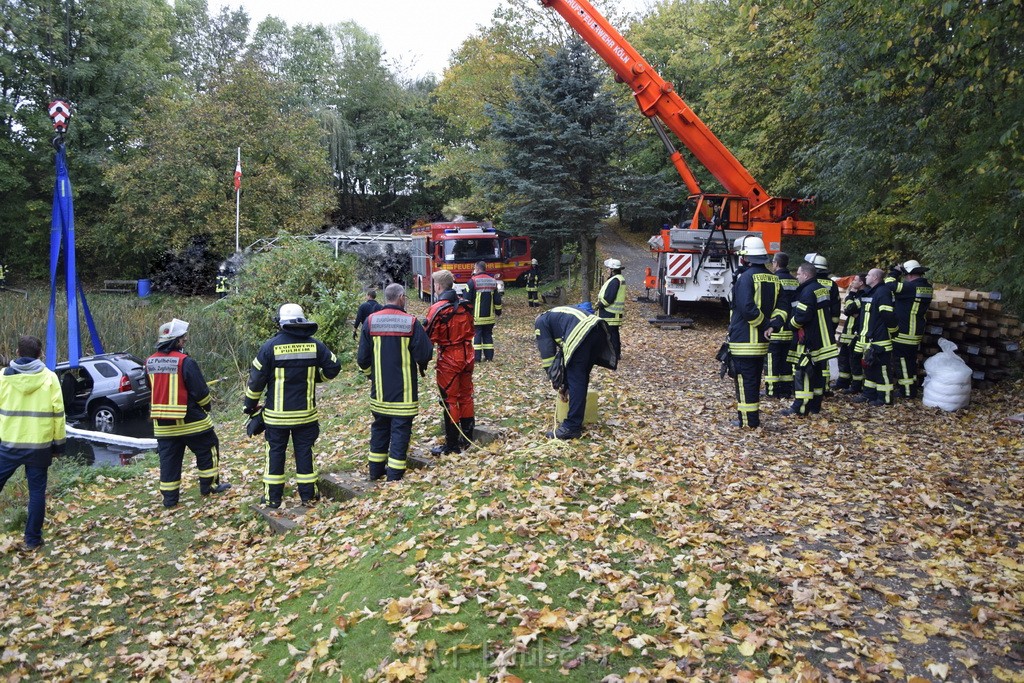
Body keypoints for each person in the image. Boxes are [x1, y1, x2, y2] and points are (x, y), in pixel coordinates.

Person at [245, 304, 340, 507]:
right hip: (306, 415)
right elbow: (334, 367)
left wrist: (249, 406)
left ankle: (273, 498)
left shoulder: (269, 347)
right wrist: (315, 377)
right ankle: (308, 495)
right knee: (304, 452)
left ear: (281, 323)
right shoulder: (314, 345)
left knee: (275, 454)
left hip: (276, 417)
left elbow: (255, 382)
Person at [147, 319, 231, 508]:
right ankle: (209, 487)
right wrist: (206, 407)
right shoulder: (186, 362)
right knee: (208, 449)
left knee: (169, 461)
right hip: (192, 422)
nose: (185, 340)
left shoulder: (149, 362)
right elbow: (200, 392)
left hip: (163, 425)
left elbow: (150, 389)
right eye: (183, 338)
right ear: (176, 341)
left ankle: (170, 499)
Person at [357, 284, 433, 481]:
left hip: (379, 392)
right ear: (401, 298)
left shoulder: (370, 321)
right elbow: (424, 354)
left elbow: (362, 359)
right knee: (400, 431)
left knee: (380, 429)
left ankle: (375, 472)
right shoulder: (411, 322)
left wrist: (371, 376)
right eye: (405, 297)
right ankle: (394, 477)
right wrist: (421, 363)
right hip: (404, 393)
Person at [0, 335, 64, 550]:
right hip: (39, 445)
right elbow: (58, 415)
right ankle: (32, 540)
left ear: (17, 353)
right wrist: (58, 446)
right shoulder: (50, 377)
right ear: (40, 354)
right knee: (36, 492)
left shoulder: (3, 377)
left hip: (8, 444)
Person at [534, 305, 617, 439]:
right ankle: (576, 420)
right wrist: (565, 386)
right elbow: (566, 356)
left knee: (577, 379)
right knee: (580, 378)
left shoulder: (540, 323)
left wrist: (555, 381)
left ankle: (572, 427)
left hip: (580, 334)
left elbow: (548, 355)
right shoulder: (556, 315)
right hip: (598, 330)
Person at [728, 236, 779, 428]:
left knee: (744, 382)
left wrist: (764, 324)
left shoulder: (746, 278)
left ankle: (748, 421)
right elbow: (782, 308)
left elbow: (747, 307)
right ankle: (751, 418)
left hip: (744, 341)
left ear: (745, 258)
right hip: (762, 343)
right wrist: (772, 325)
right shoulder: (774, 279)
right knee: (754, 380)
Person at [424, 270, 475, 455]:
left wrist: (420, 359)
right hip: (467, 353)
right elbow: (471, 327)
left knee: (450, 400)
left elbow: (427, 337)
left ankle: (452, 445)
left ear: (438, 286)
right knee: (466, 396)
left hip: (449, 358)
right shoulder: (465, 305)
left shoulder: (438, 308)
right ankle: (467, 439)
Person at [778, 263, 839, 416]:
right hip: (822, 339)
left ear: (805, 275)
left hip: (809, 339)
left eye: (798, 274)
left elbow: (802, 316)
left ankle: (801, 407)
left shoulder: (807, 292)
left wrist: (790, 325)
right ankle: (814, 406)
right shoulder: (820, 288)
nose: (797, 276)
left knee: (803, 372)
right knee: (817, 373)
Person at [853, 268, 897, 406]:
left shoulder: (883, 292)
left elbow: (888, 315)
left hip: (880, 340)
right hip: (868, 339)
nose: (866, 276)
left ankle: (885, 398)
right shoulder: (869, 292)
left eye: (869, 275)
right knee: (869, 369)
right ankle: (869, 395)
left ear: (876, 278)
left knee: (882, 370)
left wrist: (892, 331)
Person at [891, 260, 933, 398]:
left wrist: (895, 272)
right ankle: (912, 388)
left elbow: (888, 285)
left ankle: (907, 392)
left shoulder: (909, 288)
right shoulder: (927, 287)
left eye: (904, 275)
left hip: (904, 332)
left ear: (909, 274)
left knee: (902, 362)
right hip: (916, 331)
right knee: (910, 361)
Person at [804, 253, 840, 391]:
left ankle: (809, 386)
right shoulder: (832, 284)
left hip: (811, 326)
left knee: (810, 356)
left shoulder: (810, 284)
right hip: (827, 327)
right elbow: (836, 308)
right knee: (824, 357)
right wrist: (832, 326)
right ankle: (824, 386)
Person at [764, 252, 798, 398]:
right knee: (787, 362)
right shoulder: (796, 281)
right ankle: (786, 390)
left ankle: (772, 391)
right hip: (791, 329)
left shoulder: (773, 280)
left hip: (776, 328)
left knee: (772, 362)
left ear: (776, 264)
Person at [834, 273, 866, 392]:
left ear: (861, 283)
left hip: (856, 333)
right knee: (843, 357)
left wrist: (850, 296)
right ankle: (843, 382)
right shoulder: (857, 295)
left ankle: (856, 386)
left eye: (855, 280)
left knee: (854, 360)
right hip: (848, 331)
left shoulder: (864, 295)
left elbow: (850, 308)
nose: (852, 282)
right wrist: (850, 307)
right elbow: (849, 310)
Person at [466, 261, 502, 362]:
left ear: (477, 269)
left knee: (476, 335)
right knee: (487, 335)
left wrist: (467, 314)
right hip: (489, 317)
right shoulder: (493, 281)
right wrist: (498, 311)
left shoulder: (472, 281)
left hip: (477, 317)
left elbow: (467, 300)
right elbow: (497, 299)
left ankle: (476, 358)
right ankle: (489, 357)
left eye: (474, 268)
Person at [596, 258, 626, 360]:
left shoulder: (615, 281)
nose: (607, 270)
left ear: (613, 269)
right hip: (613, 313)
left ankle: (613, 355)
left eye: (608, 268)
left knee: (610, 335)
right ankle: (615, 354)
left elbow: (609, 297)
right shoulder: (619, 279)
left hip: (610, 312)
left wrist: (600, 305)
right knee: (613, 334)